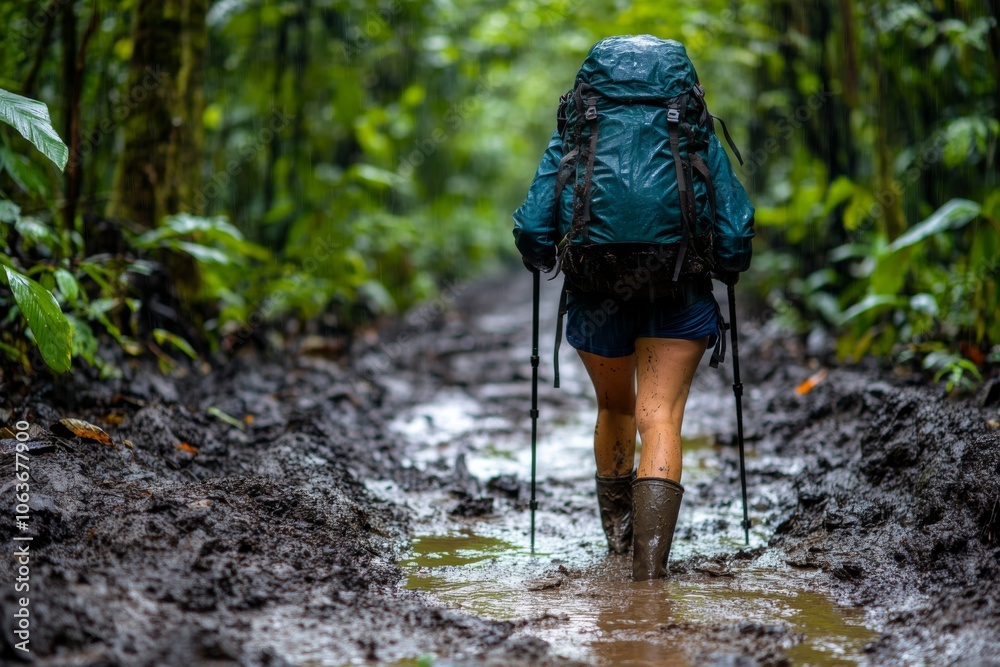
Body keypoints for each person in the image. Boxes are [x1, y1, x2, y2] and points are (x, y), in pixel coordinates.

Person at [512, 35, 754, 581]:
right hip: (680, 293)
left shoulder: (580, 130)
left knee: (616, 410)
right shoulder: (691, 129)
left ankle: (619, 542)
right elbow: (735, 229)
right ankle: (649, 568)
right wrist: (727, 267)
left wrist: (544, 257)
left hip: (597, 298)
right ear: (683, 87)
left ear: (588, 90)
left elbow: (532, 226)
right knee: (659, 416)